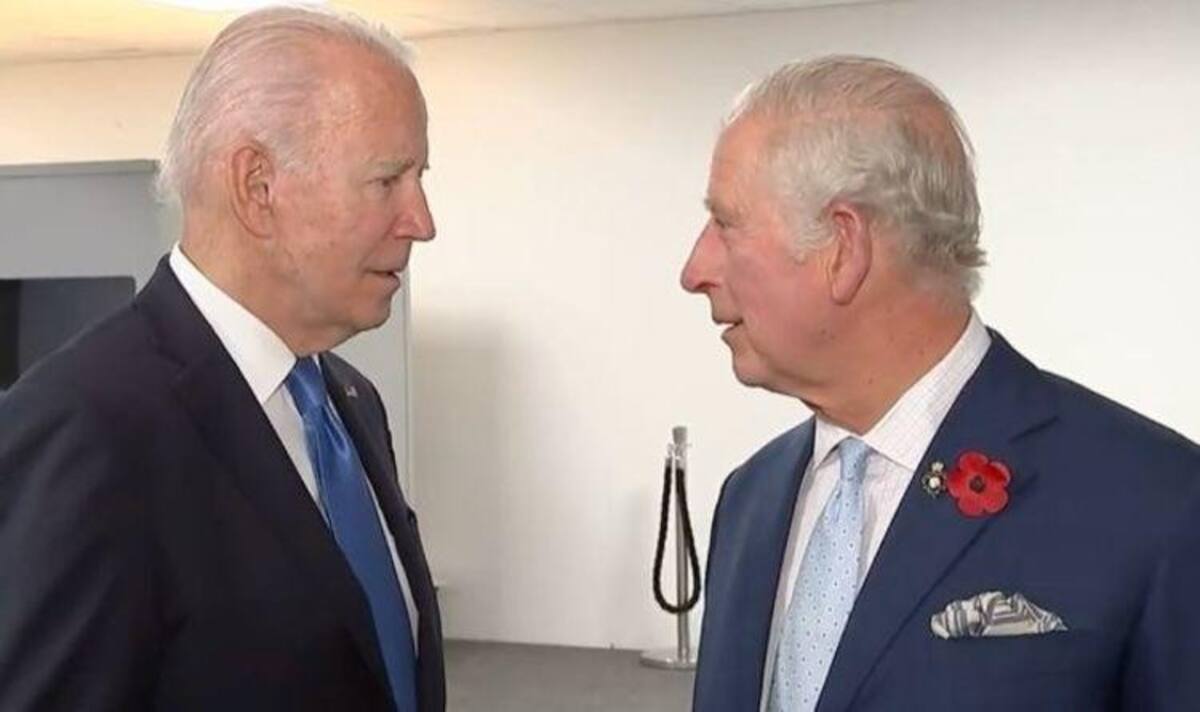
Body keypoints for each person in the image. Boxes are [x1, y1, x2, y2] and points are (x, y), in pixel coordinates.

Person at [682, 55, 1200, 711]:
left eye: (726, 224)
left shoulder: (1159, 506)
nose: (693, 270)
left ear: (843, 246)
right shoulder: (749, 499)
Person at [0, 7, 443, 711]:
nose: (422, 221)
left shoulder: (352, 403)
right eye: (388, 180)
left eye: (420, 178)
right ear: (257, 187)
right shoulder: (85, 429)